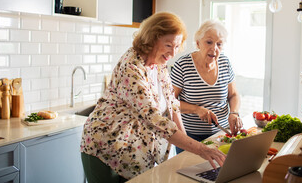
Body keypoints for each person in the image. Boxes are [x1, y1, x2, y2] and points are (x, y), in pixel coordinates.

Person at [80, 12, 226, 183]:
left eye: (177, 46)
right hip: (105, 147)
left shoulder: (159, 64)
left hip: (134, 152)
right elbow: (155, 119)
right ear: (151, 39)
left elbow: (172, 105)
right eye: (168, 45)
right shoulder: (132, 67)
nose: (173, 53)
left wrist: (187, 151)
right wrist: (200, 149)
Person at [171, 19, 243, 154]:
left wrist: (234, 113)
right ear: (198, 43)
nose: (214, 48)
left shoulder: (225, 63)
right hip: (189, 137)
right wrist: (196, 109)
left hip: (220, 135)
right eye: (209, 42)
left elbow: (233, 94)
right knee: (188, 173)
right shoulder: (183, 65)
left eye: (219, 44)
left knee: (218, 173)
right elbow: (169, 102)